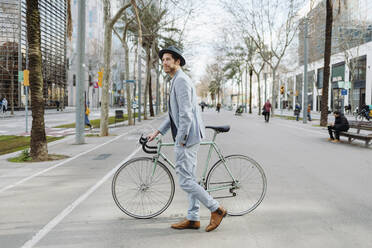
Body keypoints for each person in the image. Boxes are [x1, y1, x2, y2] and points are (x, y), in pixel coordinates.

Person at [147, 46, 226, 232]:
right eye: (163, 59)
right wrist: (158, 131)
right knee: (190, 178)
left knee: (185, 181)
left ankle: (216, 209)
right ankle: (193, 218)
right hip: (189, 137)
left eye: (168, 59)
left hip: (187, 138)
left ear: (177, 61)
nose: (164, 62)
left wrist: (180, 140)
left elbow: (185, 115)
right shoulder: (177, 80)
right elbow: (173, 114)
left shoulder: (181, 81)